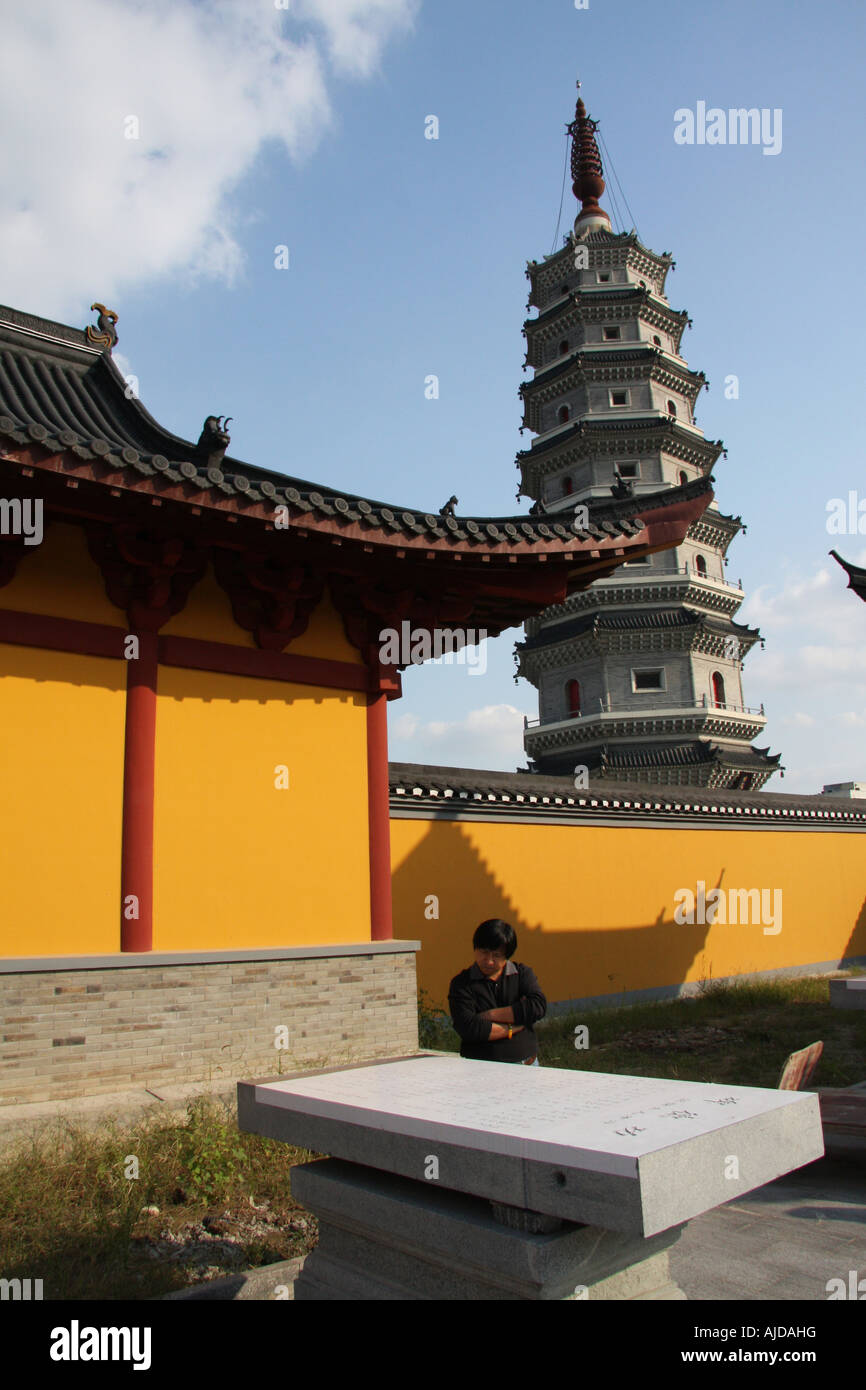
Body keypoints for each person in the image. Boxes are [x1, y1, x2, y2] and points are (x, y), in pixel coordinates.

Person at [447, 919, 547, 1065]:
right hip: (480, 1065)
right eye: (484, 952)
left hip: (525, 1063)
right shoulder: (462, 984)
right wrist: (514, 1026)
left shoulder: (522, 974)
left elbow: (537, 1007)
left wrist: (489, 1015)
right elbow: (468, 1027)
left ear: (507, 955)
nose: (489, 961)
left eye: (496, 955)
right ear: (475, 949)